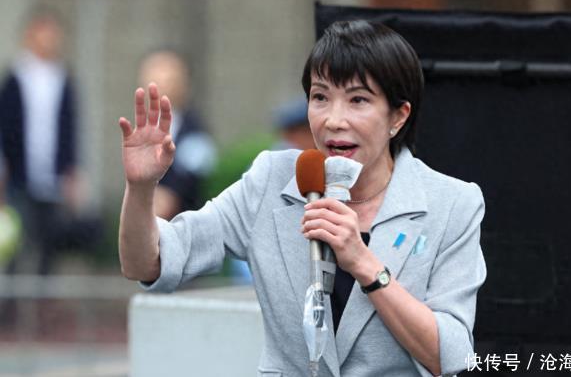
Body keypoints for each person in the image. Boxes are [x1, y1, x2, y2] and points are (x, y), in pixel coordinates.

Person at [118, 20, 486, 376]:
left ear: (398, 117)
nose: (334, 120)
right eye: (320, 97)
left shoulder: (452, 204)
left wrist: (364, 264)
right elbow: (149, 263)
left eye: (358, 100)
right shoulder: (272, 181)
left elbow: (451, 355)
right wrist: (141, 188)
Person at [0, 7, 80, 274]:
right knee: (17, 241)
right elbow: (6, 128)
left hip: (53, 177)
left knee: (49, 244)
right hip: (19, 177)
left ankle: (45, 298)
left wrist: (71, 171)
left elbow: (70, 129)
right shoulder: (15, 78)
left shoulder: (63, 79)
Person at [137, 50, 217, 220]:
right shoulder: (140, 128)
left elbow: (197, 172)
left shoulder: (195, 130)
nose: (161, 83)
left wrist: (171, 194)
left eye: (169, 78)